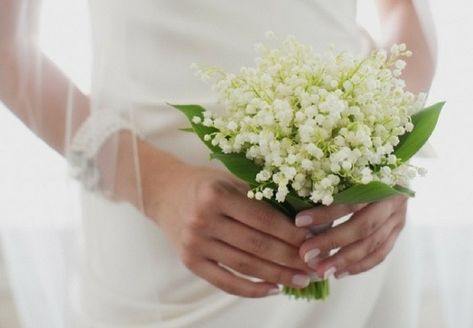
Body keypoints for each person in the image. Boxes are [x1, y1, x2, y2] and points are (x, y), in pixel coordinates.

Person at [0, 0, 436, 327]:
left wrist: (385, 145)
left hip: (351, 232)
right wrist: (156, 187)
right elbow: (8, 45)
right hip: (164, 249)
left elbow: (404, 10)